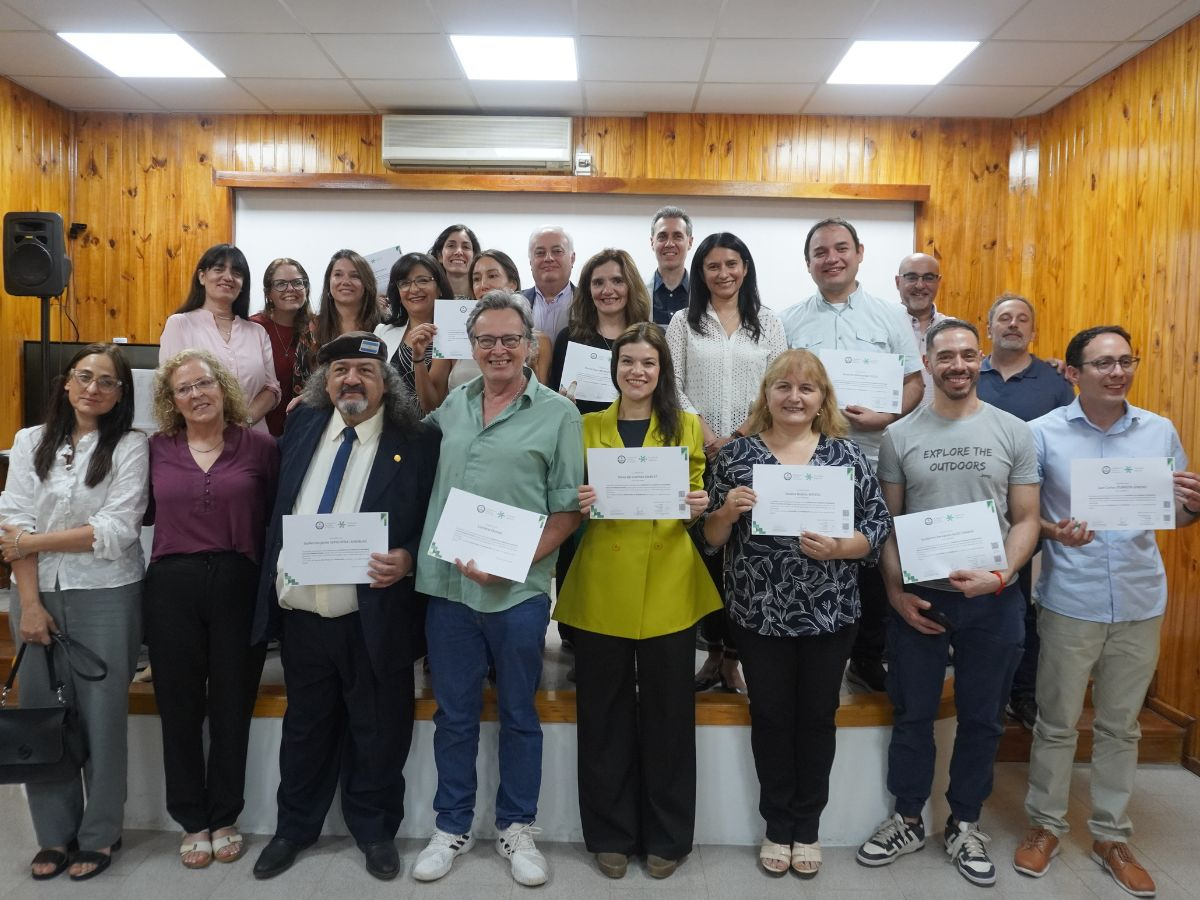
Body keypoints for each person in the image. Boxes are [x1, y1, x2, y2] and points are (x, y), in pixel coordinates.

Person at [1012, 326, 1199, 897]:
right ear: (1072, 373)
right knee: (1057, 722)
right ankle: (1045, 827)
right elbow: (1021, 513)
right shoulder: (1040, 434)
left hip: (1141, 597)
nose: (1117, 372)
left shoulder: (1159, 430)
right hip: (1072, 596)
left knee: (1121, 726)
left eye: (1126, 361)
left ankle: (1111, 835)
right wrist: (1052, 531)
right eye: (1103, 364)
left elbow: (1179, 514)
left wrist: (1193, 505)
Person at [856, 318, 1041, 888]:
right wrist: (894, 593)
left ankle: (965, 823)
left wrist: (1003, 573)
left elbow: (1027, 518)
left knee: (983, 718)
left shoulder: (1014, 431)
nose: (957, 365)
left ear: (979, 359)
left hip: (995, 600)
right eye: (945, 356)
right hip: (922, 601)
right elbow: (888, 525)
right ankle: (908, 818)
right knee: (912, 714)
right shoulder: (899, 435)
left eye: (966, 355)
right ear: (928, 363)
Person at [249, 332, 440, 882]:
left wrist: (407, 559)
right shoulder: (302, 428)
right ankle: (294, 829)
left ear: (386, 383)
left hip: (374, 618)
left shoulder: (419, 441)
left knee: (378, 731)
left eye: (365, 370)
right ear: (323, 380)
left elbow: (433, 522)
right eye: (340, 371)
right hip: (304, 618)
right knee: (305, 730)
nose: (351, 380)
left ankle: (375, 830)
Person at [412, 291, 583, 888]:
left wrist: (512, 562)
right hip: (450, 589)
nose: (499, 350)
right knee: (453, 715)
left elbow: (567, 511)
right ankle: (451, 824)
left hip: (518, 594)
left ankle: (517, 827)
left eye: (511, 339)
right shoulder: (452, 409)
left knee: (519, 714)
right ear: (472, 346)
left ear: (531, 345)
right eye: (486, 340)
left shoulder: (560, 414)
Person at [703, 349, 891, 880]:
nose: (793, 397)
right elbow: (711, 542)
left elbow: (876, 528)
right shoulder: (737, 458)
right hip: (758, 614)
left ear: (821, 399)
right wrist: (725, 511)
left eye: (806, 389)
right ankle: (775, 823)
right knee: (771, 718)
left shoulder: (845, 456)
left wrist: (841, 548)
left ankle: (806, 826)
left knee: (815, 718)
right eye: (783, 387)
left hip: (829, 613)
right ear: (766, 394)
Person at [554, 322, 718, 881]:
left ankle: (668, 837)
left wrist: (699, 502)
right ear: (614, 369)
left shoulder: (687, 426)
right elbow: (565, 493)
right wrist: (576, 498)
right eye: (628, 363)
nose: (637, 372)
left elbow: (695, 489)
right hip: (601, 581)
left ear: (661, 370)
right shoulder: (586, 425)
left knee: (671, 715)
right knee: (603, 713)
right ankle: (609, 834)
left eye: (648, 363)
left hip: (670, 582)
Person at [0, 344, 148, 882]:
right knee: (42, 714)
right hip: (36, 592)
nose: (93, 388)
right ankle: (54, 836)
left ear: (119, 394)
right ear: (66, 383)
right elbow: (10, 521)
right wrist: (31, 604)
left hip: (108, 591)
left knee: (103, 717)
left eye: (107, 382)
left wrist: (30, 541)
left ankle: (100, 833)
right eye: (85, 377)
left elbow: (116, 530)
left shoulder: (131, 445)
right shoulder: (27, 442)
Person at [144, 349, 279, 870]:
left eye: (204, 384)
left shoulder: (261, 447)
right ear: (171, 400)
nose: (196, 394)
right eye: (184, 389)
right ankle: (191, 819)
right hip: (171, 585)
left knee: (231, 704)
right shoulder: (156, 449)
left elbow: (275, 516)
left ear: (223, 388)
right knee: (178, 707)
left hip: (237, 582)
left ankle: (225, 815)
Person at [779, 218, 925, 694]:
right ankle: (813, 643)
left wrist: (885, 417)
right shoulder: (789, 320)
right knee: (818, 548)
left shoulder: (889, 316)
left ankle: (867, 654)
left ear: (859, 252)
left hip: (874, 452)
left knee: (876, 546)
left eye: (841, 248)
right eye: (820, 252)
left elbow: (914, 381)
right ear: (808, 263)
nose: (832, 258)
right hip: (810, 459)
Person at [666, 231, 787, 695]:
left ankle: (735, 657)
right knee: (705, 552)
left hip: (754, 452)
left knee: (746, 553)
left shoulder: (768, 323)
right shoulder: (683, 322)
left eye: (732, 264)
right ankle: (712, 651)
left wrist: (737, 436)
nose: (723, 274)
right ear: (701, 272)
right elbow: (671, 384)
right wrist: (707, 434)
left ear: (746, 269)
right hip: (698, 452)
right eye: (713, 266)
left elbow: (777, 384)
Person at [976, 294, 1075, 732]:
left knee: (1025, 609)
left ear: (1033, 330)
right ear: (989, 327)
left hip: (1033, 510)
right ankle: (983, 695)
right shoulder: (967, 373)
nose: (1012, 325)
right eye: (1004, 318)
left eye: (1022, 319)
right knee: (978, 604)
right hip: (974, 509)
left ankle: (1023, 694)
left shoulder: (1053, 382)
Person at [159, 243, 281, 432]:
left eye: (237, 273)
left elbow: (272, 388)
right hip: (198, 441)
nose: (228, 277)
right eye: (219, 269)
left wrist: (243, 422)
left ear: (242, 285)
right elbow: (172, 387)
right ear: (202, 276)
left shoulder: (257, 332)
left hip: (253, 440)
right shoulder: (180, 324)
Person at [412, 250, 553, 409]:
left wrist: (531, 365)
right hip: (462, 429)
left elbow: (541, 406)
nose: (483, 285)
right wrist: (418, 359)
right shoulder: (451, 334)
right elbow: (431, 405)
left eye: (492, 276)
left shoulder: (539, 340)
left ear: (512, 283)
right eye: (476, 279)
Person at [550, 248, 653, 416]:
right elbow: (553, 402)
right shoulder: (568, 338)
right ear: (588, 290)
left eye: (617, 281)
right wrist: (562, 403)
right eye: (598, 283)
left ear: (631, 286)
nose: (607, 290)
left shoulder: (652, 339)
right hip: (581, 437)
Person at [374, 251, 451, 408]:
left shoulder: (453, 334)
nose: (414, 289)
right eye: (405, 283)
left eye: (422, 280)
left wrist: (418, 359)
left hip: (435, 430)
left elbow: (432, 406)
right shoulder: (382, 332)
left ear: (440, 288)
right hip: (388, 429)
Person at [250, 257, 316, 436]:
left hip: (306, 433)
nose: (290, 289)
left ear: (306, 288)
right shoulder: (252, 329)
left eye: (297, 283)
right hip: (258, 433)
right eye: (280, 284)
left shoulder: (317, 329)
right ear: (268, 293)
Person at [895, 252, 947, 406]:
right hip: (890, 426)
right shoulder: (880, 328)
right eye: (911, 277)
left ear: (938, 282)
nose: (920, 285)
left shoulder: (954, 330)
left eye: (928, 278)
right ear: (898, 282)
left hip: (941, 426)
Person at [310, 249, 381, 358]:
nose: (346, 282)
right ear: (328, 282)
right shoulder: (313, 328)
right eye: (338, 274)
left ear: (367, 283)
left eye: (355, 276)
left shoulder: (384, 326)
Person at [522, 225, 577, 342]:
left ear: (572, 258)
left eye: (557, 251)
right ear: (530, 261)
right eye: (540, 253)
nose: (548, 258)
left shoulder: (590, 304)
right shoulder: (513, 304)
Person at [646, 206, 694, 326]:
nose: (669, 244)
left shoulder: (706, 296)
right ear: (652, 243)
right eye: (662, 237)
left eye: (677, 236)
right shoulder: (637, 294)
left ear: (690, 242)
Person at [429, 223, 480, 299]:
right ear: (440, 255)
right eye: (451, 246)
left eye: (465, 247)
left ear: (474, 256)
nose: (459, 252)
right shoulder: (429, 297)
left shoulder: (484, 295)